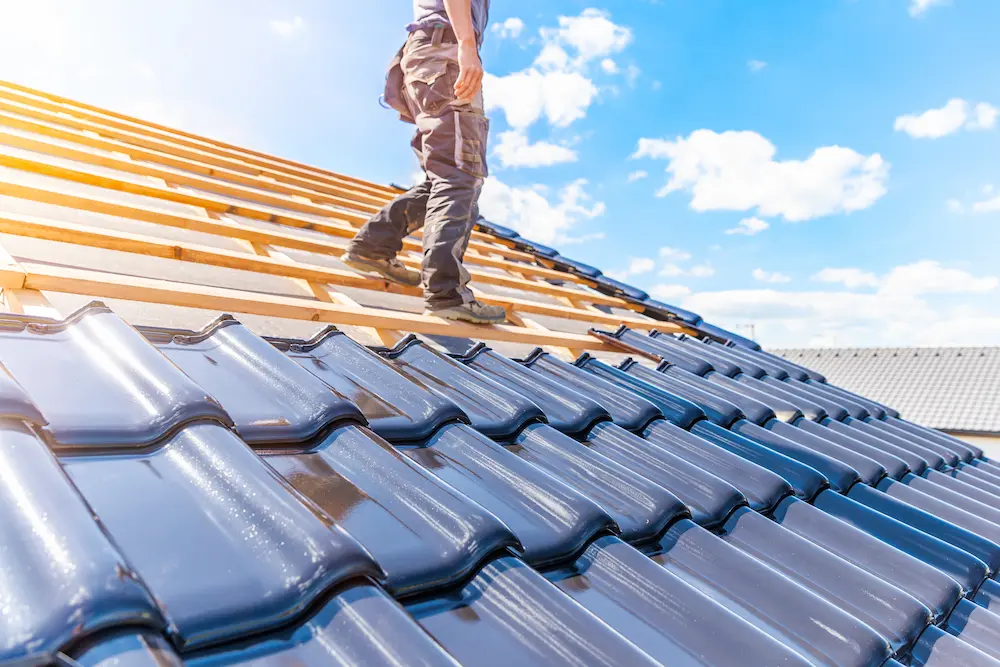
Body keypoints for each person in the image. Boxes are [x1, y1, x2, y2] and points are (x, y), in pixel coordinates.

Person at [342, 0, 506, 324]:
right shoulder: (457, 43)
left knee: (445, 177)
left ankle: (374, 246)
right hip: (444, 53)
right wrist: (467, 46)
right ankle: (447, 294)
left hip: (426, 58)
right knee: (460, 175)